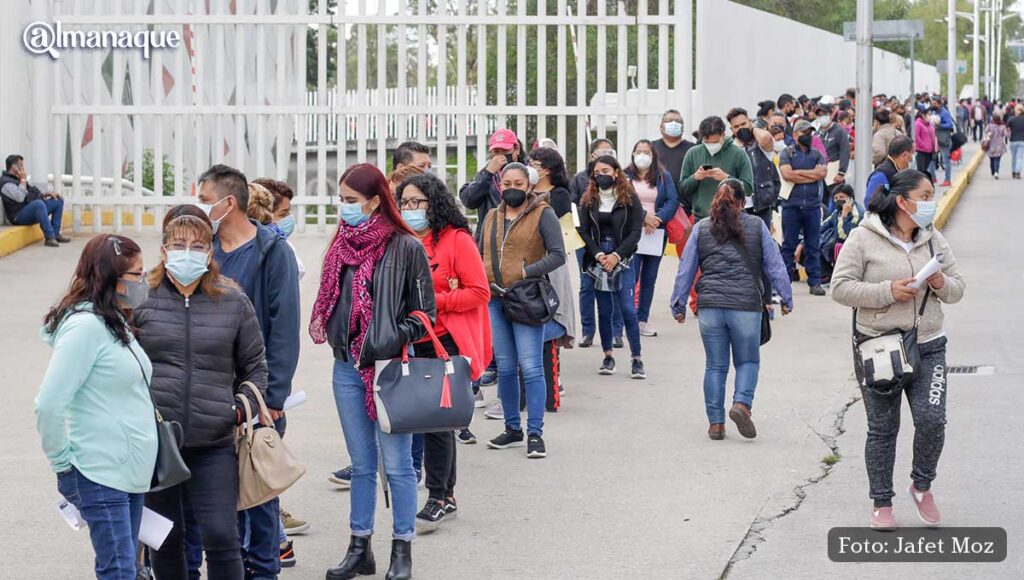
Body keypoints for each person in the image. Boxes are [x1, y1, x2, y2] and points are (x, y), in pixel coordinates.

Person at [310, 164, 434, 580]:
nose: (344, 209)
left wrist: (387, 337)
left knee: (398, 466)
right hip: (346, 366)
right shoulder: (341, 245)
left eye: (351, 201)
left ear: (376, 201)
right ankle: (359, 547)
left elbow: (424, 314)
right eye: (340, 200)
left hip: (388, 368)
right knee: (361, 464)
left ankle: (402, 549)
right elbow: (332, 301)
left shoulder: (406, 247)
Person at [135, 209, 268, 580]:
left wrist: (239, 410)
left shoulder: (232, 301)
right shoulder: (140, 299)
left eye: (197, 245)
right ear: (164, 251)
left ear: (210, 254)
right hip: (158, 444)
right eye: (179, 245)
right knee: (166, 538)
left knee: (222, 535)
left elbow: (256, 367)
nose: (188, 252)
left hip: (214, 441)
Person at [831, 169, 966, 530]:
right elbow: (841, 288)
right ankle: (881, 501)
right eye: (925, 195)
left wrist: (940, 283)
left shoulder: (933, 238)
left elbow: (958, 288)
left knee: (932, 420)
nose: (930, 202)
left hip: (929, 344)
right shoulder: (863, 237)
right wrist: (888, 291)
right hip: (879, 346)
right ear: (903, 201)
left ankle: (922, 485)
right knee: (883, 428)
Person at [197, 164, 301, 580]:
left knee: (257, 492)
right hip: (208, 395)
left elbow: (284, 328)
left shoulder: (271, 253)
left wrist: (271, 398)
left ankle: (264, 569)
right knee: (220, 496)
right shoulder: (203, 251)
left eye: (205, 201)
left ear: (229, 203)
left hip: (255, 397)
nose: (200, 208)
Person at [35, 235, 157, 580]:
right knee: (118, 571)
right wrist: (63, 468)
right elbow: (48, 404)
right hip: (102, 473)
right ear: (111, 278)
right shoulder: (85, 327)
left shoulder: (112, 319)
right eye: (136, 274)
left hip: (130, 473)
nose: (143, 281)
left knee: (126, 568)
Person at [395, 173, 491, 532]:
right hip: (408, 338)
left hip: (444, 339)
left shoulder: (456, 240)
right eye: (404, 202)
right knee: (422, 418)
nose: (410, 209)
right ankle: (440, 492)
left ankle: (439, 495)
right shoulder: (401, 240)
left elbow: (479, 292)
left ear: (433, 203)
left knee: (436, 421)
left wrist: (435, 302)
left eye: (417, 202)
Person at [669, 179, 793, 440]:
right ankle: (741, 404)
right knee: (747, 360)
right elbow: (775, 265)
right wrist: (786, 297)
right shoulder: (757, 225)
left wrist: (678, 303)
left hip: (710, 307)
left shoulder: (701, 228)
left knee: (715, 366)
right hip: (745, 305)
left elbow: (686, 268)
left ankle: (716, 424)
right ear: (743, 201)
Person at [480, 162, 565, 458]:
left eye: (518, 183)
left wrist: (526, 271)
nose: (512, 188)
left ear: (529, 186)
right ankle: (512, 427)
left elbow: (557, 255)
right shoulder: (491, 216)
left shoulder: (544, 214)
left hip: (526, 297)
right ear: (499, 186)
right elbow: (481, 252)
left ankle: (535, 433)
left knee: (530, 367)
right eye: (507, 183)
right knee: (504, 367)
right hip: (495, 298)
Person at [578, 155, 646, 378]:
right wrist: (598, 254)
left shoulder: (630, 198)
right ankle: (608, 356)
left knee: (627, 308)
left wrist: (617, 255)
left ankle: (637, 358)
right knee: (605, 310)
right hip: (597, 258)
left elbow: (636, 232)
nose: (601, 176)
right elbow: (584, 231)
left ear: (616, 172)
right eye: (597, 173)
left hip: (623, 257)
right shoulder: (588, 199)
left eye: (605, 171)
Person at [624, 139, 679, 338]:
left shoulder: (663, 177)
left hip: (656, 233)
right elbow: (623, 201)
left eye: (646, 152)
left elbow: (673, 200)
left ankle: (642, 319)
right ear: (632, 154)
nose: (642, 155)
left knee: (649, 278)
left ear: (653, 155)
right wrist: (643, 218)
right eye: (638, 151)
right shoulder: (624, 176)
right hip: (632, 232)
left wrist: (657, 219)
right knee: (631, 276)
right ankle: (627, 318)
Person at [568, 138, 618, 348]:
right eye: (601, 151)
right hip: (586, 240)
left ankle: (616, 332)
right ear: (591, 157)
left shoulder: (620, 180)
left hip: (613, 241)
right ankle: (588, 331)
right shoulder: (580, 180)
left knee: (615, 286)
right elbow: (571, 207)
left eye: (610, 151)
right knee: (587, 286)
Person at [779, 120, 827, 296]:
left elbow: (822, 173)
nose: (808, 135)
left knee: (813, 244)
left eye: (810, 132)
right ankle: (784, 282)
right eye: (804, 132)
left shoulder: (817, 154)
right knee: (788, 245)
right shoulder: (787, 153)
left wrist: (798, 174)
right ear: (796, 134)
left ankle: (815, 282)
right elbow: (786, 174)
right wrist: (811, 176)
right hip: (791, 205)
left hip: (813, 206)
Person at [677, 116, 754, 220]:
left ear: (723, 135)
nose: (711, 145)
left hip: (732, 218)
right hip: (701, 218)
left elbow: (748, 189)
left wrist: (726, 178)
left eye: (715, 142)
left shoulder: (739, 154)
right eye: (707, 142)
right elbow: (682, 188)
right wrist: (695, 177)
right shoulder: (693, 153)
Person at [459, 128, 524, 239]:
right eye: (496, 152)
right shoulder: (486, 176)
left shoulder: (527, 173)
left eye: (505, 151)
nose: (500, 156)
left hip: (519, 235)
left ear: (516, 149)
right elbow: (469, 200)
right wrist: (487, 173)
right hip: (490, 238)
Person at [1, 154, 70, 247]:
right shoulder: (6, 183)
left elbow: (30, 194)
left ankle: (56, 233)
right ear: (14, 167)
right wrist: (23, 180)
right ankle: (49, 237)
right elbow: (20, 197)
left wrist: (45, 194)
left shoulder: (16, 179)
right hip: (18, 216)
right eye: (21, 165)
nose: (23, 168)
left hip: (28, 209)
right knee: (38, 204)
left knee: (57, 201)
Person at [727, 108, 779, 228]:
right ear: (732, 129)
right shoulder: (730, 147)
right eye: (736, 126)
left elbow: (766, 138)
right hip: (737, 207)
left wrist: (752, 128)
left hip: (761, 205)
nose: (741, 128)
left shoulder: (759, 144)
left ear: (750, 122)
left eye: (743, 124)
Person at [253, 177, 307, 280]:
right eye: (283, 214)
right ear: (262, 214)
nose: (290, 218)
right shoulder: (276, 248)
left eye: (289, 212)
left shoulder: (283, 245)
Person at [818, 184, 864, 282]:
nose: (838, 200)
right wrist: (803, 244)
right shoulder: (836, 212)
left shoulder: (856, 213)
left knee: (834, 245)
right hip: (839, 239)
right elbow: (822, 227)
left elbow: (844, 236)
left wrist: (844, 216)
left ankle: (839, 275)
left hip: (853, 243)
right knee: (816, 242)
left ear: (850, 198)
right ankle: (826, 274)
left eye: (842, 197)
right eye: (836, 198)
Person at [865, 136, 914, 207]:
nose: (913, 157)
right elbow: (870, 203)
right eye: (912, 153)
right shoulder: (881, 175)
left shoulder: (901, 172)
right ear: (905, 155)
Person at [651, 109, 694, 187]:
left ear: (682, 127)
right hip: (657, 197)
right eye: (669, 120)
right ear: (661, 127)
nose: (674, 123)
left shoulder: (692, 149)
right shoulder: (651, 147)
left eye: (678, 121)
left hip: (685, 198)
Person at [817, 103, 851, 196]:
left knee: (837, 199)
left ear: (831, 115)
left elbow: (845, 152)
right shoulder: (817, 133)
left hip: (834, 175)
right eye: (819, 115)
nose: (822, 117)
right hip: (820, 175)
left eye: (824, 114)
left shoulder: (839, 131)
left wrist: (841, 172)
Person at [931, 97, 956, 186]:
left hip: (944, 139)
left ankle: (947, 179)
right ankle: (933, 177)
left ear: (939, 104)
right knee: (931, 159)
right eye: (932, 103)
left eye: (935, 104)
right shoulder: (934, 112)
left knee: (946, 160)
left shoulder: (944, 113)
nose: (933, 105)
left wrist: (939, 125)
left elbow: (949, 124)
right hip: (935, 139)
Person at [914, 109, 938, 178]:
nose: (930, 116)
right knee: (921, 169)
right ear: (923, 115)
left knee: (925, 169)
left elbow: (933, 135)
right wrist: (923, 145)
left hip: (930, 151)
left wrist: (935, 146)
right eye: (928, 114)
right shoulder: (918, 123)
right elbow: (916, 137)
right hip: (921, 151)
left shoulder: (930, 124)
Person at [984, 114, 1009, 179]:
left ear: (993, 120)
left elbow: (985, 132)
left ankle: (993, 171)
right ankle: (996, 172)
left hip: (991, 145)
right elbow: (1006, 135)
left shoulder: (989, 126)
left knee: (991, 159)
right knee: (997, 159)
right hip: (999, 145)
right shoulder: (1002, 126)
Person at [1007, 104, 1024, 179]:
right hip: (1022, 140)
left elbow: (1007, 128)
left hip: (1013, 140)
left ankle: (1013, 172)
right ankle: (1017, 172)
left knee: (1014, 157)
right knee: (1019, 157)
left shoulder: (1011, 119)